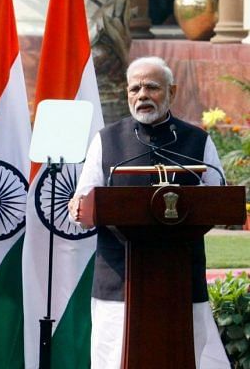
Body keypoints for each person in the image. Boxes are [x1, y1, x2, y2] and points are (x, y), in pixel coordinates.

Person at [68, 56, 229, 368]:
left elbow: (218, 195)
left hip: (181, 278)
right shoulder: (106, 140)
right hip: (119, 280)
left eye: (151, 87)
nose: (141, 95)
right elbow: (84, 201)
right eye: (135, 88)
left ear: (172, 91)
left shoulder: (197, 140)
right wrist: (79, 206)